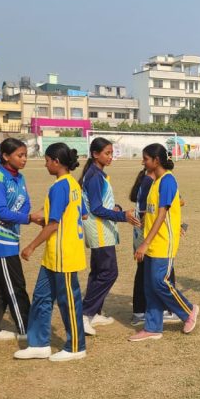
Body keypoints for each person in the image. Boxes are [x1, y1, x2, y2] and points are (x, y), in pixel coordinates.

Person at [14, 143, 88, 361]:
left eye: (47, 161)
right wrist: (45, 216)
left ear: (56, 162)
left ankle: (76, 347)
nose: (45, 165)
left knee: (68, 301)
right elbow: (81, 214)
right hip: (53, 255)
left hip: (64, 253)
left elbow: (54, 224)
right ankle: (38, 344)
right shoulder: (72, 184)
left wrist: (31, 246)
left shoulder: (61, 187)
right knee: (41, 297)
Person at [131, 143, 198, 341]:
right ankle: (152, 327)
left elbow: (162, 215)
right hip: (152, 242)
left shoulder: (168, 181)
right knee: (150, 286)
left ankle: (188, 310)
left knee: (160, 282)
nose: (143, 162)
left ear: (156, 160)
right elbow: (152, 213)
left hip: (163, 242)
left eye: (146, 159)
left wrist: (145, 243)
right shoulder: (155, 182)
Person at [0, 137, 42, 345]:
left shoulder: (19, 177)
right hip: (0, 239)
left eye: (25, 155)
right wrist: (28, 218)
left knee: (0, 285)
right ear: (6, 156)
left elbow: (26, 203)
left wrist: (26, 215)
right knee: (16, 285)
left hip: (12, 237)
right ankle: (26, 328)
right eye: (20, 155)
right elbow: (0, 211)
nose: (24, 159)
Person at [80, 137, 139, 335]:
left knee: (98, 272)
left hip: (102, 229)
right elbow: (96, 209)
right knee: (108, 273)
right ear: (95, 154)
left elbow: (100, 203)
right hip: (99, 230)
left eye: (112, 153)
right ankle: (85, 314)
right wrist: (123, 216)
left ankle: (94, 312)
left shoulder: (97, 174)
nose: (110, 157)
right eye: (107, 153)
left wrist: (116, 208)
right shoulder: (94, 176)